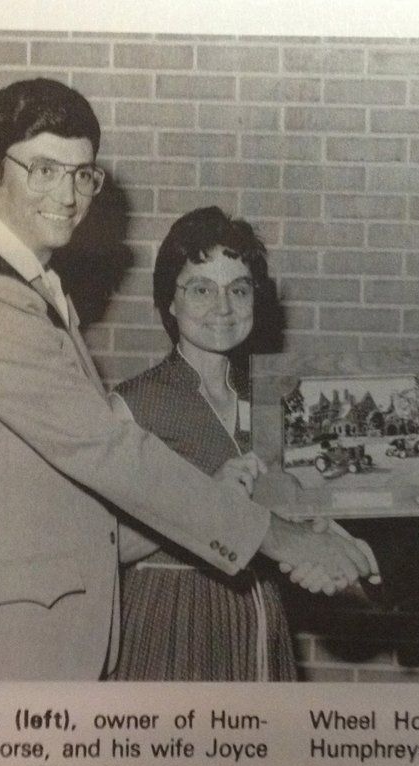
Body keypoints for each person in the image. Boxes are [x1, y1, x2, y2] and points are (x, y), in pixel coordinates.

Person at [0, 78, 370, 680]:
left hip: (19, 634)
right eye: (43, 170)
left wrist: (222, 501)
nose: (67, 195)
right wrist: (283, 538)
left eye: (81, 174)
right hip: (1, 646)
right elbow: (109, 452)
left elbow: (69, 511)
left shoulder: (11, 282)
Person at [113, 207, 299, 680]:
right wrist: (203, 499)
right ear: (169, 303)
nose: (223, 307)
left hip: (258, 619)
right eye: (201, 289)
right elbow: (104, 549)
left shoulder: (275, 401)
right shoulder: (132, 406)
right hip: (169, 623)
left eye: (238, 289)